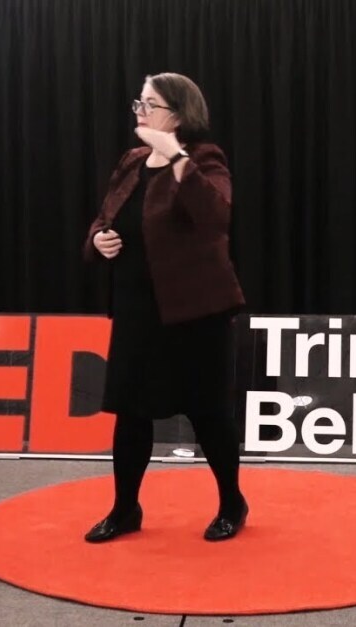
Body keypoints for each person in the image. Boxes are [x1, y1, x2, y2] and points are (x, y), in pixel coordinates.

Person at [81, 72, 247, 543]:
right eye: (138, 102)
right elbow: (105, 215)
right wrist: (98, 239)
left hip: (196, 312)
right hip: (137, 309)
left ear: (177, 113)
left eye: (149, 104)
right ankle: (124, 509)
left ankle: (232, 503)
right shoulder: (132, 160)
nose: (139, 111)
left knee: (208, 413)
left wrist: (175, 156)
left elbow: (215, 216)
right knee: (131, 411)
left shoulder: (205, 158)